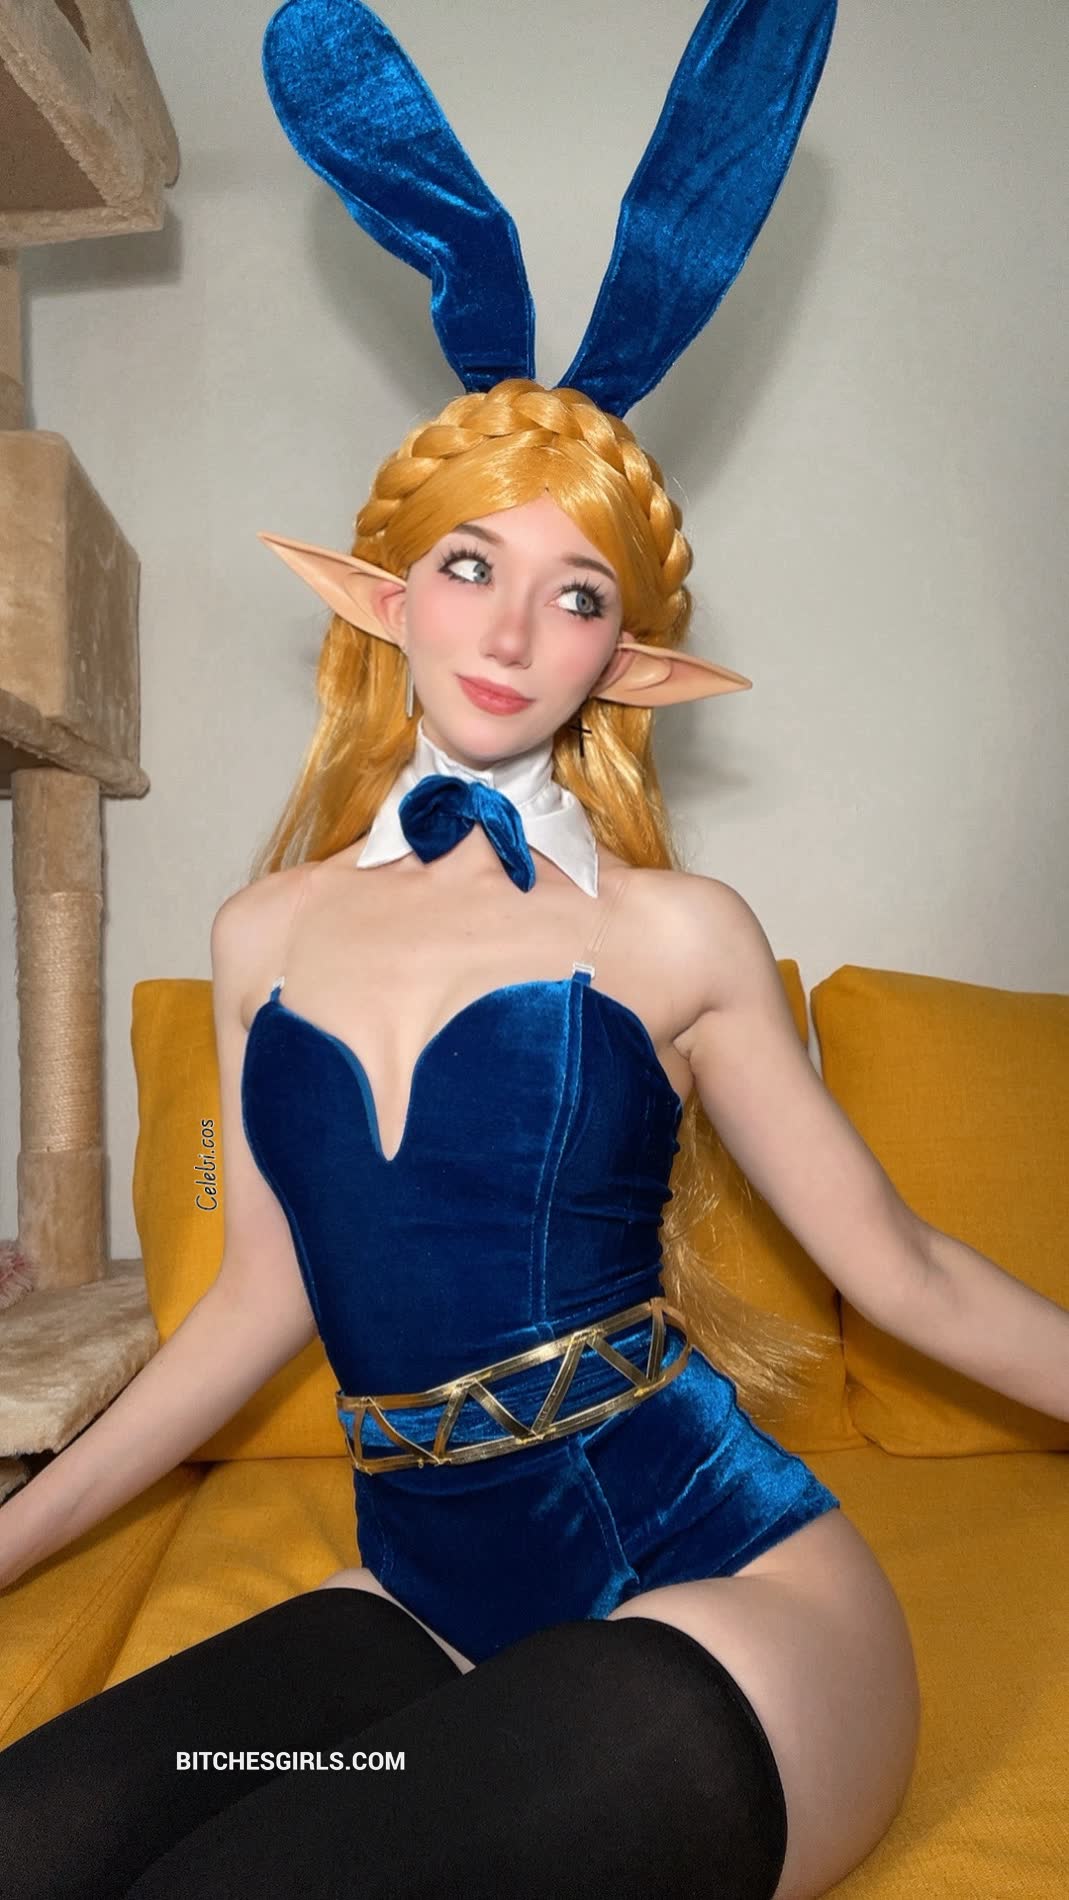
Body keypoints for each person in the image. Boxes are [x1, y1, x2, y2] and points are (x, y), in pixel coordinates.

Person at [0, 2, 948, 1895]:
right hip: (425, 1616)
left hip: (722, 1608)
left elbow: (904, 1274)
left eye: (574, 594)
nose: (513, 631)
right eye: (469, 564)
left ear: (626, 660)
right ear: (385, 596)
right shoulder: (262, 930)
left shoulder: (675, 931)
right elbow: (254, 1313)